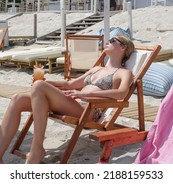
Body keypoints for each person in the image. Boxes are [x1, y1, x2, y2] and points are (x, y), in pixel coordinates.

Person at [0, 35, 134, 164]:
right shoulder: (97, 69)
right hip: (72, 102)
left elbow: (122, 93)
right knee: (18, 98)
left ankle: (37, 149)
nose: (107, 41)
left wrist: (84, 95)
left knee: (39, 86)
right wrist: (44, 82)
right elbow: (69, 85)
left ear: (122, 47)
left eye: (112, 40)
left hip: (87, 110)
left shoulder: (124, 72)